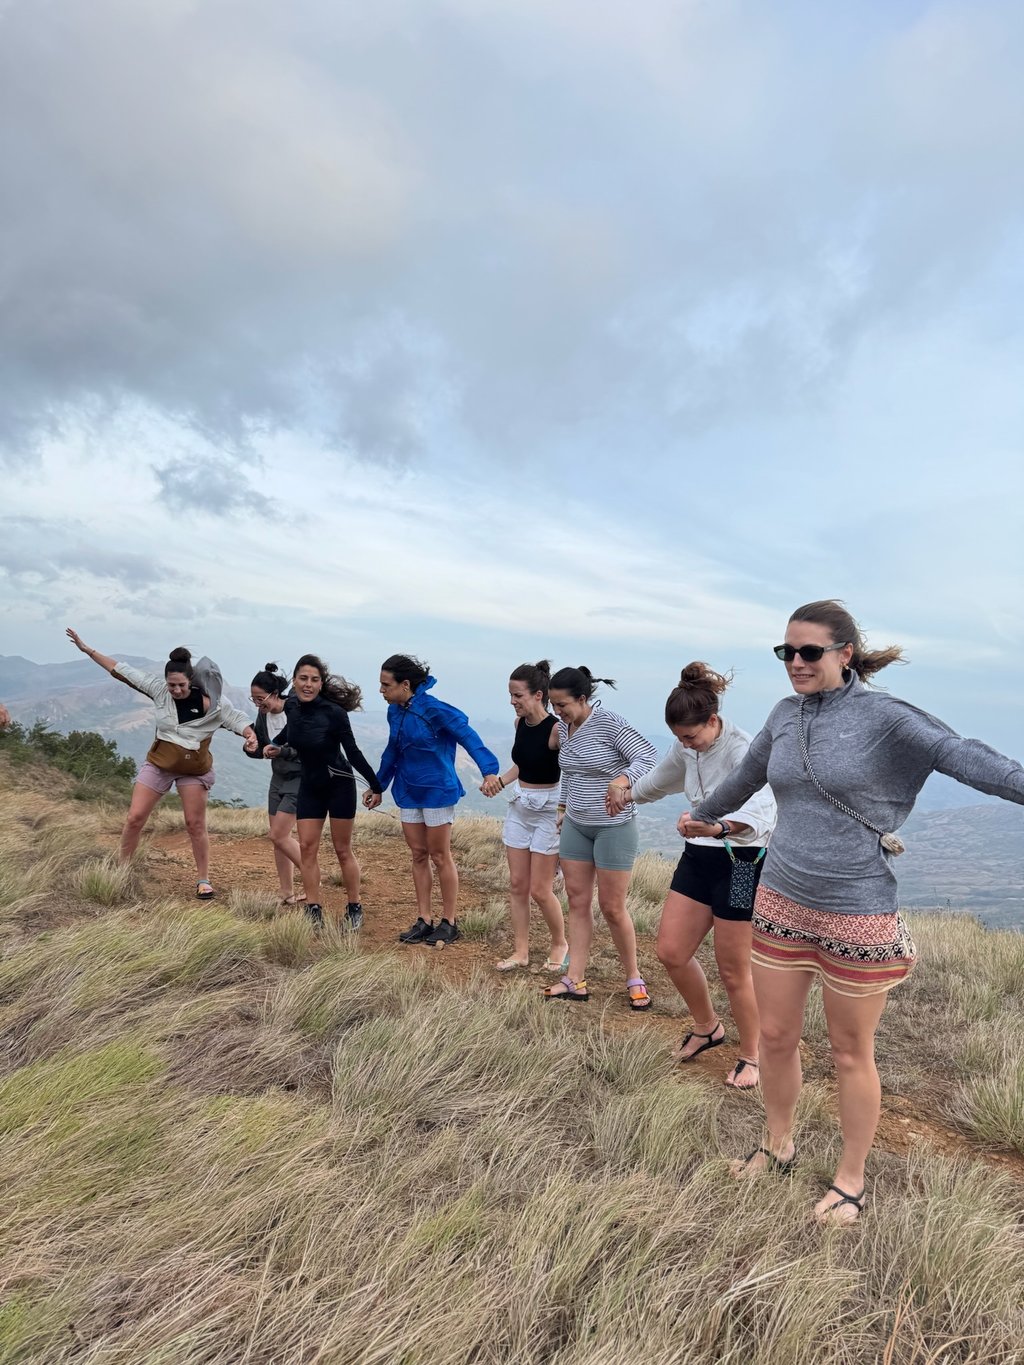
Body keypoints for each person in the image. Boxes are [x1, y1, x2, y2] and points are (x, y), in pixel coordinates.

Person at [686, 600, 1024, 1224]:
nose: (795, 663)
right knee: (778, 1038)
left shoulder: (887, 718)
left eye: (809, 652)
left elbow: (967, 756)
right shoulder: (784, 715)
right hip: (782, 899)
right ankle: (776, 1146)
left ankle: (850, 1179)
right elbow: (751, 774)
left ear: (845, 654)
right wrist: (706, 812)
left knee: (849, 1052)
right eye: (785, 652)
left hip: (856, 909)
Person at [607, 663, 776, 1088]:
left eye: (692, 737)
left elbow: (763, 812)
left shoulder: (743, 749)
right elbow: (660, 781)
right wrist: (626, 793)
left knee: (734, 968)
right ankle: (708, 1028)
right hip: (698, 857)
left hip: (742, 861)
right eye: (680, 738)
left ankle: (752, 1056)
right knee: (671, 951)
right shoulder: (685, 748)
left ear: (713, 721)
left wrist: (718, 827)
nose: (687, 746)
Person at [65, 628, 256, 897]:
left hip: (194, 769)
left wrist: (249, 735)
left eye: (181, 685)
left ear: (192, 681)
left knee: (195, 824)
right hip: (160, 764)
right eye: (172, 685)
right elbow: (123, 670)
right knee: (134, 818)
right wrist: (88, 650)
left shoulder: (215, 703)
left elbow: (238, 720)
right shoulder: (159, 691)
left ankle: (203, 879)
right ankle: (123, 871)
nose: (176, 690)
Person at [364, 654, 499, 948]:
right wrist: (378, 786)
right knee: (418, 854)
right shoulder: (395, 712)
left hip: (437, 790)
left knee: (440, 856)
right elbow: (392, 751)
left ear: (406, 684)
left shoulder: (434, 709)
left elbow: (468, 736)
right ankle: (424, 920)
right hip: (409, 791)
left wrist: (489, 771)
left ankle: (449, 922)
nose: (381, 690)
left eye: (386, 685)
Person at [542, 666, 657, 1008]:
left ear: (582, 699)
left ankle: (634, 976)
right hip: (576, 823)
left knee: (611, 906)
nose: (557, 712)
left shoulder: (609, 723)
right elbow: (572, 770)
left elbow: (648, 756)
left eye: (562, 704)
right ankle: (574, 979)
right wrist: (562, 807)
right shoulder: (564, 727)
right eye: (552, 705)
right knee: (577, 901)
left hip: (614, 825)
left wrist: (622, 781)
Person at [252, 654, 381, 929]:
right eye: (303, 679)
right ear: (295, 681)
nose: (308, 685)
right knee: (307, 848)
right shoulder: (293, 706)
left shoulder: (334, 713)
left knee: (342, 849)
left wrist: (376, 784)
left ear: (321, 684)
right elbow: (292, 729)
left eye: (314, 680)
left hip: (339, 785)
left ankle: (354, 907)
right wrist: (275, 743)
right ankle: (313, 909)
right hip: (309, 786)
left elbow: (353, 752)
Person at [480, 660, 568, 972]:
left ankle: (560, 943)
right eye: (511, 695)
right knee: (517, 884)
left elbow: (568, 769)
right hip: (520, 806)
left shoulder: (557, 729)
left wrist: (566, 809)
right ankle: (521, 951)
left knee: (540, 889)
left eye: (518, 695)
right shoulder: (520, 726)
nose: (512, 701)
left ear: (538, 695)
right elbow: (524, 765)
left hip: (548, 810)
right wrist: (500, 782)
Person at [245, 663, 304, 905]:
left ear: (273, 693)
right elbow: (261, 746)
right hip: (277, 778)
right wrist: (250, 747)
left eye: (261, 699)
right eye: (254, 700)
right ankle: (287, 892)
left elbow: (305, 747)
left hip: (299, 778)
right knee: (280, 839)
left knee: (278, 835)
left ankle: (314, 877)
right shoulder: (263, 715)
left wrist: (281, 752)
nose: (259, 704)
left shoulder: (295, 711)